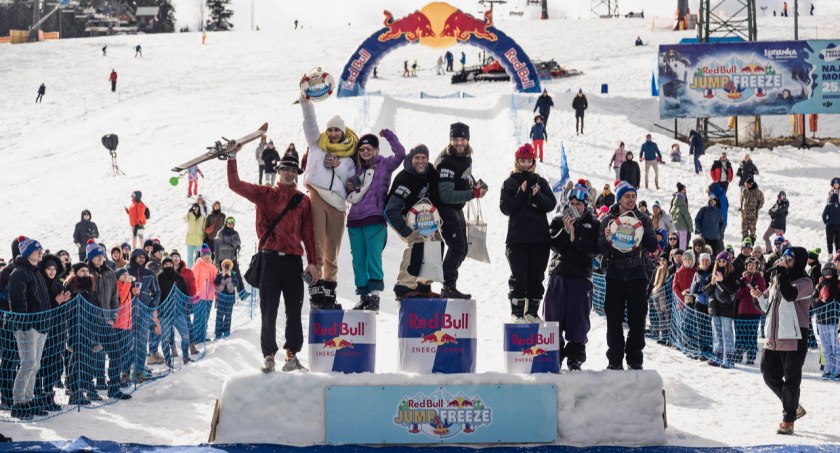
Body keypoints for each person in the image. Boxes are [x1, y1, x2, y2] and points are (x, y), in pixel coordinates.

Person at [227, 143, 318, 373]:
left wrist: (313, 263)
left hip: (293, 262)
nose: (288, 173)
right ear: (278, 171)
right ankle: (268, 356)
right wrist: (232, 158)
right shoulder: (265, 193)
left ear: (296, 173)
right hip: (269, 259)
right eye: (285, 169)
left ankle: (292, 355)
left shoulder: (303, 201)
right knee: (268, 310)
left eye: (292, 170)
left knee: (294, 311)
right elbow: (235, 184)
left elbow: (308, 234)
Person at [300, 95, 357, 309]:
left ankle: (330, 290)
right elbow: (310, 122)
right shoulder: (316, 144)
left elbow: (351, 182)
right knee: (317, 244)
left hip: (338, 203)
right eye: (330, 130)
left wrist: (338, 166)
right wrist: (306, 102)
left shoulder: (349, 157)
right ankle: (316, 291)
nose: (333, 134)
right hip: (318, 195)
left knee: (333, 247)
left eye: (337, 130)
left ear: (342, 132)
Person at [752, 246, 812, 435]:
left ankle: (788, 420)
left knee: (791, 381)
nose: (785, 260)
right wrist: (758, 297)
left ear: (799, 261)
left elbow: (790, 294)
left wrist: (782, 275)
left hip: (794, 338)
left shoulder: (805, 282)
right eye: (784, 256)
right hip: (773, 336)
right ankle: (793, 406)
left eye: (790, 257)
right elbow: (767, 306)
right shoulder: (777, 280)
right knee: (769, 375)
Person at [598, 182, 658, 370]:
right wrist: (607, 239)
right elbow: (598, 248)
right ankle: (614, 360)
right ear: (619, 199)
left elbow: (652, 245)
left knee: (638, 319)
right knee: (613, 319)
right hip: (615, 274)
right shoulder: (608, 220)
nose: (631, 200)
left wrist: (640, 230)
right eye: (627, 196)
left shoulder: (644, 219)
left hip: (637, 274)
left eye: (633, 196)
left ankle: (635, 359)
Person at [345, 130, 405, 310]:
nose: (365, 152)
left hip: (375, 218)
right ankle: (363, 295)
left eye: (369, 148)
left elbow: (401, 154)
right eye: (362, 149)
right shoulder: (355, 169)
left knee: (373, 256)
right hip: (354, 219)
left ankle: (375, 296)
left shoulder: (384, 165)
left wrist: (389, 135)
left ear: (376, 150)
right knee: (358, 259)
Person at [544, 182, 599, 370]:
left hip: (581, 276)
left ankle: (575, 355)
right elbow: (554, 245)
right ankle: (553, 353)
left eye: (579, 203)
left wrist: (576, 237)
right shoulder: (559, 220)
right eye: (572, 203)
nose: (575, 207)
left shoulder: (594, 223)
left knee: (578, 319)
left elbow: (593, 250)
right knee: (553, 316)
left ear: (585, 205)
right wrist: (566, 232)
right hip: (558, 273)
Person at [500, 144, 556, 323]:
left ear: (533, 161)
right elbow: (506, 208)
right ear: (517, 161)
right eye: (522, 161)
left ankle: (532, 312)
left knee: (537, 276)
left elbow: (551, 204)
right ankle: (517, 313)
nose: (525, 164)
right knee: (519, 276)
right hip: (517, 239)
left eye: (529, 161)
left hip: (540, 238)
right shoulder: (509, 182)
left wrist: (538, 196)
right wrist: (521, 194)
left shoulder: (541, 181)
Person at [436, 122, 488, 299]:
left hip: (456, 209)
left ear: (467, 140)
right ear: (450, 140)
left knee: (463, 249)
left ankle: (449, 285)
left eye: (462, 139)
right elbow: (446, 195)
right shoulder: (446, 161)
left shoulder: (466, 158)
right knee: (457, 247)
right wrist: (473, 193)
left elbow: (465, 175)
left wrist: (475, 184)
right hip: (445, 208)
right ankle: (447, 286)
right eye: (455, 139)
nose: (459, 143)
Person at [385, 144, 441, 300]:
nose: (420, 161)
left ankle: (423, 285)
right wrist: (406, 231)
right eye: (417, 157)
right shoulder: (405, 179)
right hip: (401, 216)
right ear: (411, 158)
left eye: (423, 158)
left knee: (436, 241)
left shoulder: (431, 173)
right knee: (417, 240)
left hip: (422, 217)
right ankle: (404, 285)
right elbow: (390, 210)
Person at [8, 237, 54, 419]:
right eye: (37, 250)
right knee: (27, 364)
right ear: (27, 253)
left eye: (41, 249)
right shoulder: (19, 273)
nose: (40, 252)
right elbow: (18, 303)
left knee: (35, 366)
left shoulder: (36, 272)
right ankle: (18, 402)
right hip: (28, 327)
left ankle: (28, 399)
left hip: (42, 325)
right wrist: (27, 323)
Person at [85, 243, 129, 400]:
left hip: (106, 321)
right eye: (96, 255)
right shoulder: (85, 272)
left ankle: (114, 388)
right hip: (89, 322)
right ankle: (90, 390)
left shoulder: (110, 273)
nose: (100, 258)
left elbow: (114, 298)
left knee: (116, 353)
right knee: (89, 356)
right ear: (90, 257)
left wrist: (112, 316)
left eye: (101, 255)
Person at [127, 248, 161, 383]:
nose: (141, 259)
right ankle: (127, 370)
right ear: (133, 257)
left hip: (144, 313)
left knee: (141, 343)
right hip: (128, 313)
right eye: (138, 256)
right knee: (128, 343)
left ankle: (139, 370)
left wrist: (151, 307)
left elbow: (157, 292)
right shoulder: (127, 272)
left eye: (143, 257)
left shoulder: (150, 274)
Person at [704, 251, 739, 368]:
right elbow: (706, 290)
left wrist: (722, 281)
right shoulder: (713, 273)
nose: (721, 263)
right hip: (714, 308)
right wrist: (712, 283)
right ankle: (717, 357)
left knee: (727, 333)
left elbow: (734, 288)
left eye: (724, 261)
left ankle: (729, 359)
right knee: (717, 333)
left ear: (728, 262)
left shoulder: (732, 274)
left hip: (726, 308)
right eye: (719, 261)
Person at [157, 257, 192, 367]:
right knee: (165, 339)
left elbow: (186, 293)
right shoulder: (158, 278)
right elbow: (156, 294)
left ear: (173, 265)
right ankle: (168, 359)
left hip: (178, 313)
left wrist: (183, 305)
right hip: (164, 314)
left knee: (185, 335)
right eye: (165, 265)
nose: (168, 266)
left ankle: (185, 356)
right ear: (162, 266)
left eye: (169, 264)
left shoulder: (179, 278)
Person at [735, 257, 766, 365]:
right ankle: (738, 355)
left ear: (756, 267)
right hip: (742, 310)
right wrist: (743, 286)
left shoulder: (760, 279)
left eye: (753, 265)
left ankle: (751, 357)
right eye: (749, 265)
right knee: (740, 334)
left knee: (752, 334)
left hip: (755, 311)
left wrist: (754, 287)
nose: (751, 267)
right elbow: (737, 295)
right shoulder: (742, 279)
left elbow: (762, 293)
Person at [813, 262, 839, 379]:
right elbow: (813, 302)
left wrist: (829, 299)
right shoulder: (819, 285)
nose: (828, 274)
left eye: (830, 271)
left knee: (837, 347)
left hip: (835, 321)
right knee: (826, 347)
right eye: (825, 271)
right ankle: (828, 369)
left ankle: (838, 370)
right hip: (822, 320)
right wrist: (821, 300)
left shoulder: (838, 285)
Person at [191, 245, 218, 346]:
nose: (207, 256)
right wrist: (196, 294)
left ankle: (202, 335)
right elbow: (193, 281)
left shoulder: (213, 268)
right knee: (198, 317)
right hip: (199, 296)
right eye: (205, 254)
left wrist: (216, 294)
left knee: (205, 317)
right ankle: (195, 337)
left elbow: (215, 282)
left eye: (208, 254)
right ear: (201, 255)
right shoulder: (197, 266)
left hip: (209, 297)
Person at [214, 259, 240, 339]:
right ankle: (218, 332)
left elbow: (231, 289)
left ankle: (226, 331)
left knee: (228, 316)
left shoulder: (233, 276)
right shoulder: (219, 275)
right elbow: (216, 284)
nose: (226, 268)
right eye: (225, 266)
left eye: (228, 266)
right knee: (219, 316)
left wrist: (229, 279)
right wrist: (222, 277)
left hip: (229, 301)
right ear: (222, 267)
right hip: (221, 300)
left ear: (231, 268)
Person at [651, 253, 671, 344]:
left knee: (666, 314)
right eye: (661, 260)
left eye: (664, 260)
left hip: (664, 294)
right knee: (660, 316)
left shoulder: (668, 270)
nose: (662, 262)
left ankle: (668, 336)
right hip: (656, 292)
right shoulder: (658, 269)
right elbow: (653, 281)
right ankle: (662, 335)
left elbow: (668, 282)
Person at [740, 177, 765, 243]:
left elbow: (762, 201)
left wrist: (756, 208)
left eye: (748, 184)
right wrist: (741, 208)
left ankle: (752, 240)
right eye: (746, 184)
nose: (746, 186)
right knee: (744, 228)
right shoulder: (744, 191)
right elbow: (742, 200)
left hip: (753, 214)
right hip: (744, 213)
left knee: (752, 228)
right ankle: (744, 241)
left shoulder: (758, 192)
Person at [670, 182, 692, 250]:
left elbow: (671, 212)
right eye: (684, 189)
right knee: (682, 241)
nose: (686, 190)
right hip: (683, 224)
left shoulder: (676, 198)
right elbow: (686, 214)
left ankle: (676, 253)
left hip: (676, 224)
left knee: (677, 239)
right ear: (682, 189)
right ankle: (681, 253)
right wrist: (690, 227)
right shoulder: (682, 198)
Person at [184, 203, 206, 268]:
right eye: (193, 207)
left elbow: (204, 227)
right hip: (190, 240)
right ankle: (189, 271)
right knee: (189, 258)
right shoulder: (189, 215)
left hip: (199, 240)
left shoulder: (202, 217)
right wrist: (188, 213)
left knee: (199, 258)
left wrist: (203, 237)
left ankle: (198, 271)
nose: (195, 209)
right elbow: (184, 220)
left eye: (196, 207)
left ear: (199, 208)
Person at [822, 191, 840, 255]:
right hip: (838, 225)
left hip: (830, 225)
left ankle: (830, 254)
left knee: (830, 241)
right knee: (838, 241)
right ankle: (838, 255)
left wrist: (826, 222)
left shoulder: (828, 206)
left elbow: (824, 215)